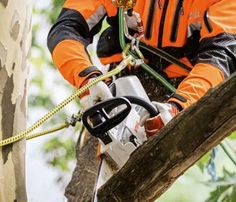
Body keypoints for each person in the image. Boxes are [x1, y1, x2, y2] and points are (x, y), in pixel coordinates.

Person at [47, 0, 236, 136]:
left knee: (153, 162)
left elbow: (220, 57)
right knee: (94, 156)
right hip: (121, 75)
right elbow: (66, 29)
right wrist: (88, 78)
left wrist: (179, 106)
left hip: (183, 87)